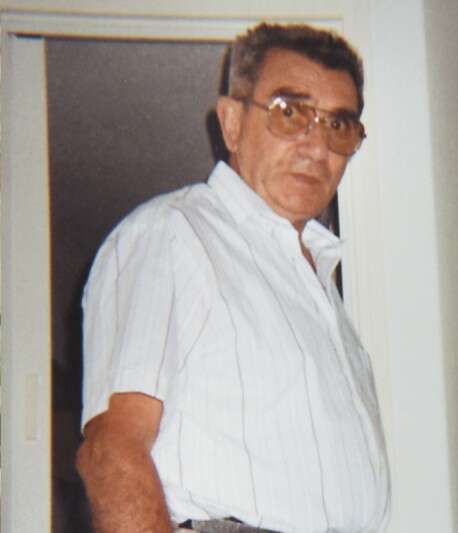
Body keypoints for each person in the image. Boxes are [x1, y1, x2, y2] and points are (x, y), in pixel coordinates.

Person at [76, 22, 390, 533]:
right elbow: (114, 448)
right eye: (290, 113)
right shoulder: (173, 233)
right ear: (232, 123)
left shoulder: (318, 281)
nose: (317, 146)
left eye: (339, 125)